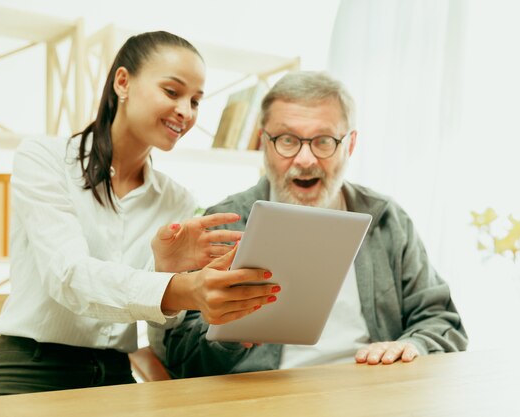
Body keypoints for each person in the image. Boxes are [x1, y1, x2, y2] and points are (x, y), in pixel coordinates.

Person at [0, 31, 279, 398]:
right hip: (27, 367)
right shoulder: (44, 158)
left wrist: (170, 275)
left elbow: (157, 312)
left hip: (115, 372)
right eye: (172, 91)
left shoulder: (176, 199)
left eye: (196, 101)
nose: (186, 111)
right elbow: (69, 277)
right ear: (122, 82)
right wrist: (182, 288)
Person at [151, 71, 468, 377]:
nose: (305, 160)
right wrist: (225, 335)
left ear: (350, 145)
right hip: (263, 401)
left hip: (371, 390)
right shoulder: (222, 223)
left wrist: (414, 346)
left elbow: (441, 320)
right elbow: (182, 359)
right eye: (287, 140)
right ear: (264, 143)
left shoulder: (386, 218)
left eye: (324, 141)